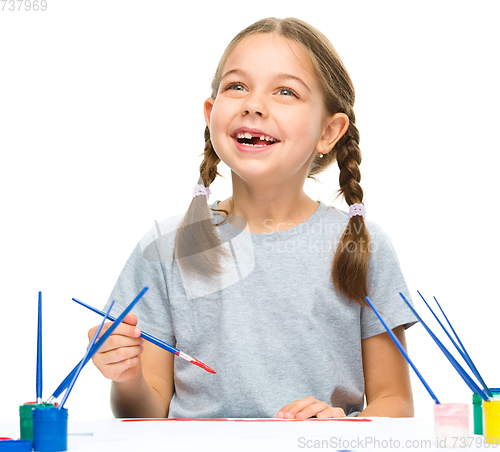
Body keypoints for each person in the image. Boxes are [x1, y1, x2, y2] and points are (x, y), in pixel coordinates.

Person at [88, 17, 417, 419]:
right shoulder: (168, 245)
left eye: (285, 91)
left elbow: (395, 401)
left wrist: (345, 423)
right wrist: (125, 375)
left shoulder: (362, 245)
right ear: (211, 115)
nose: (253, 104)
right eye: (237, 86)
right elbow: (143, 411)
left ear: (329, 132)